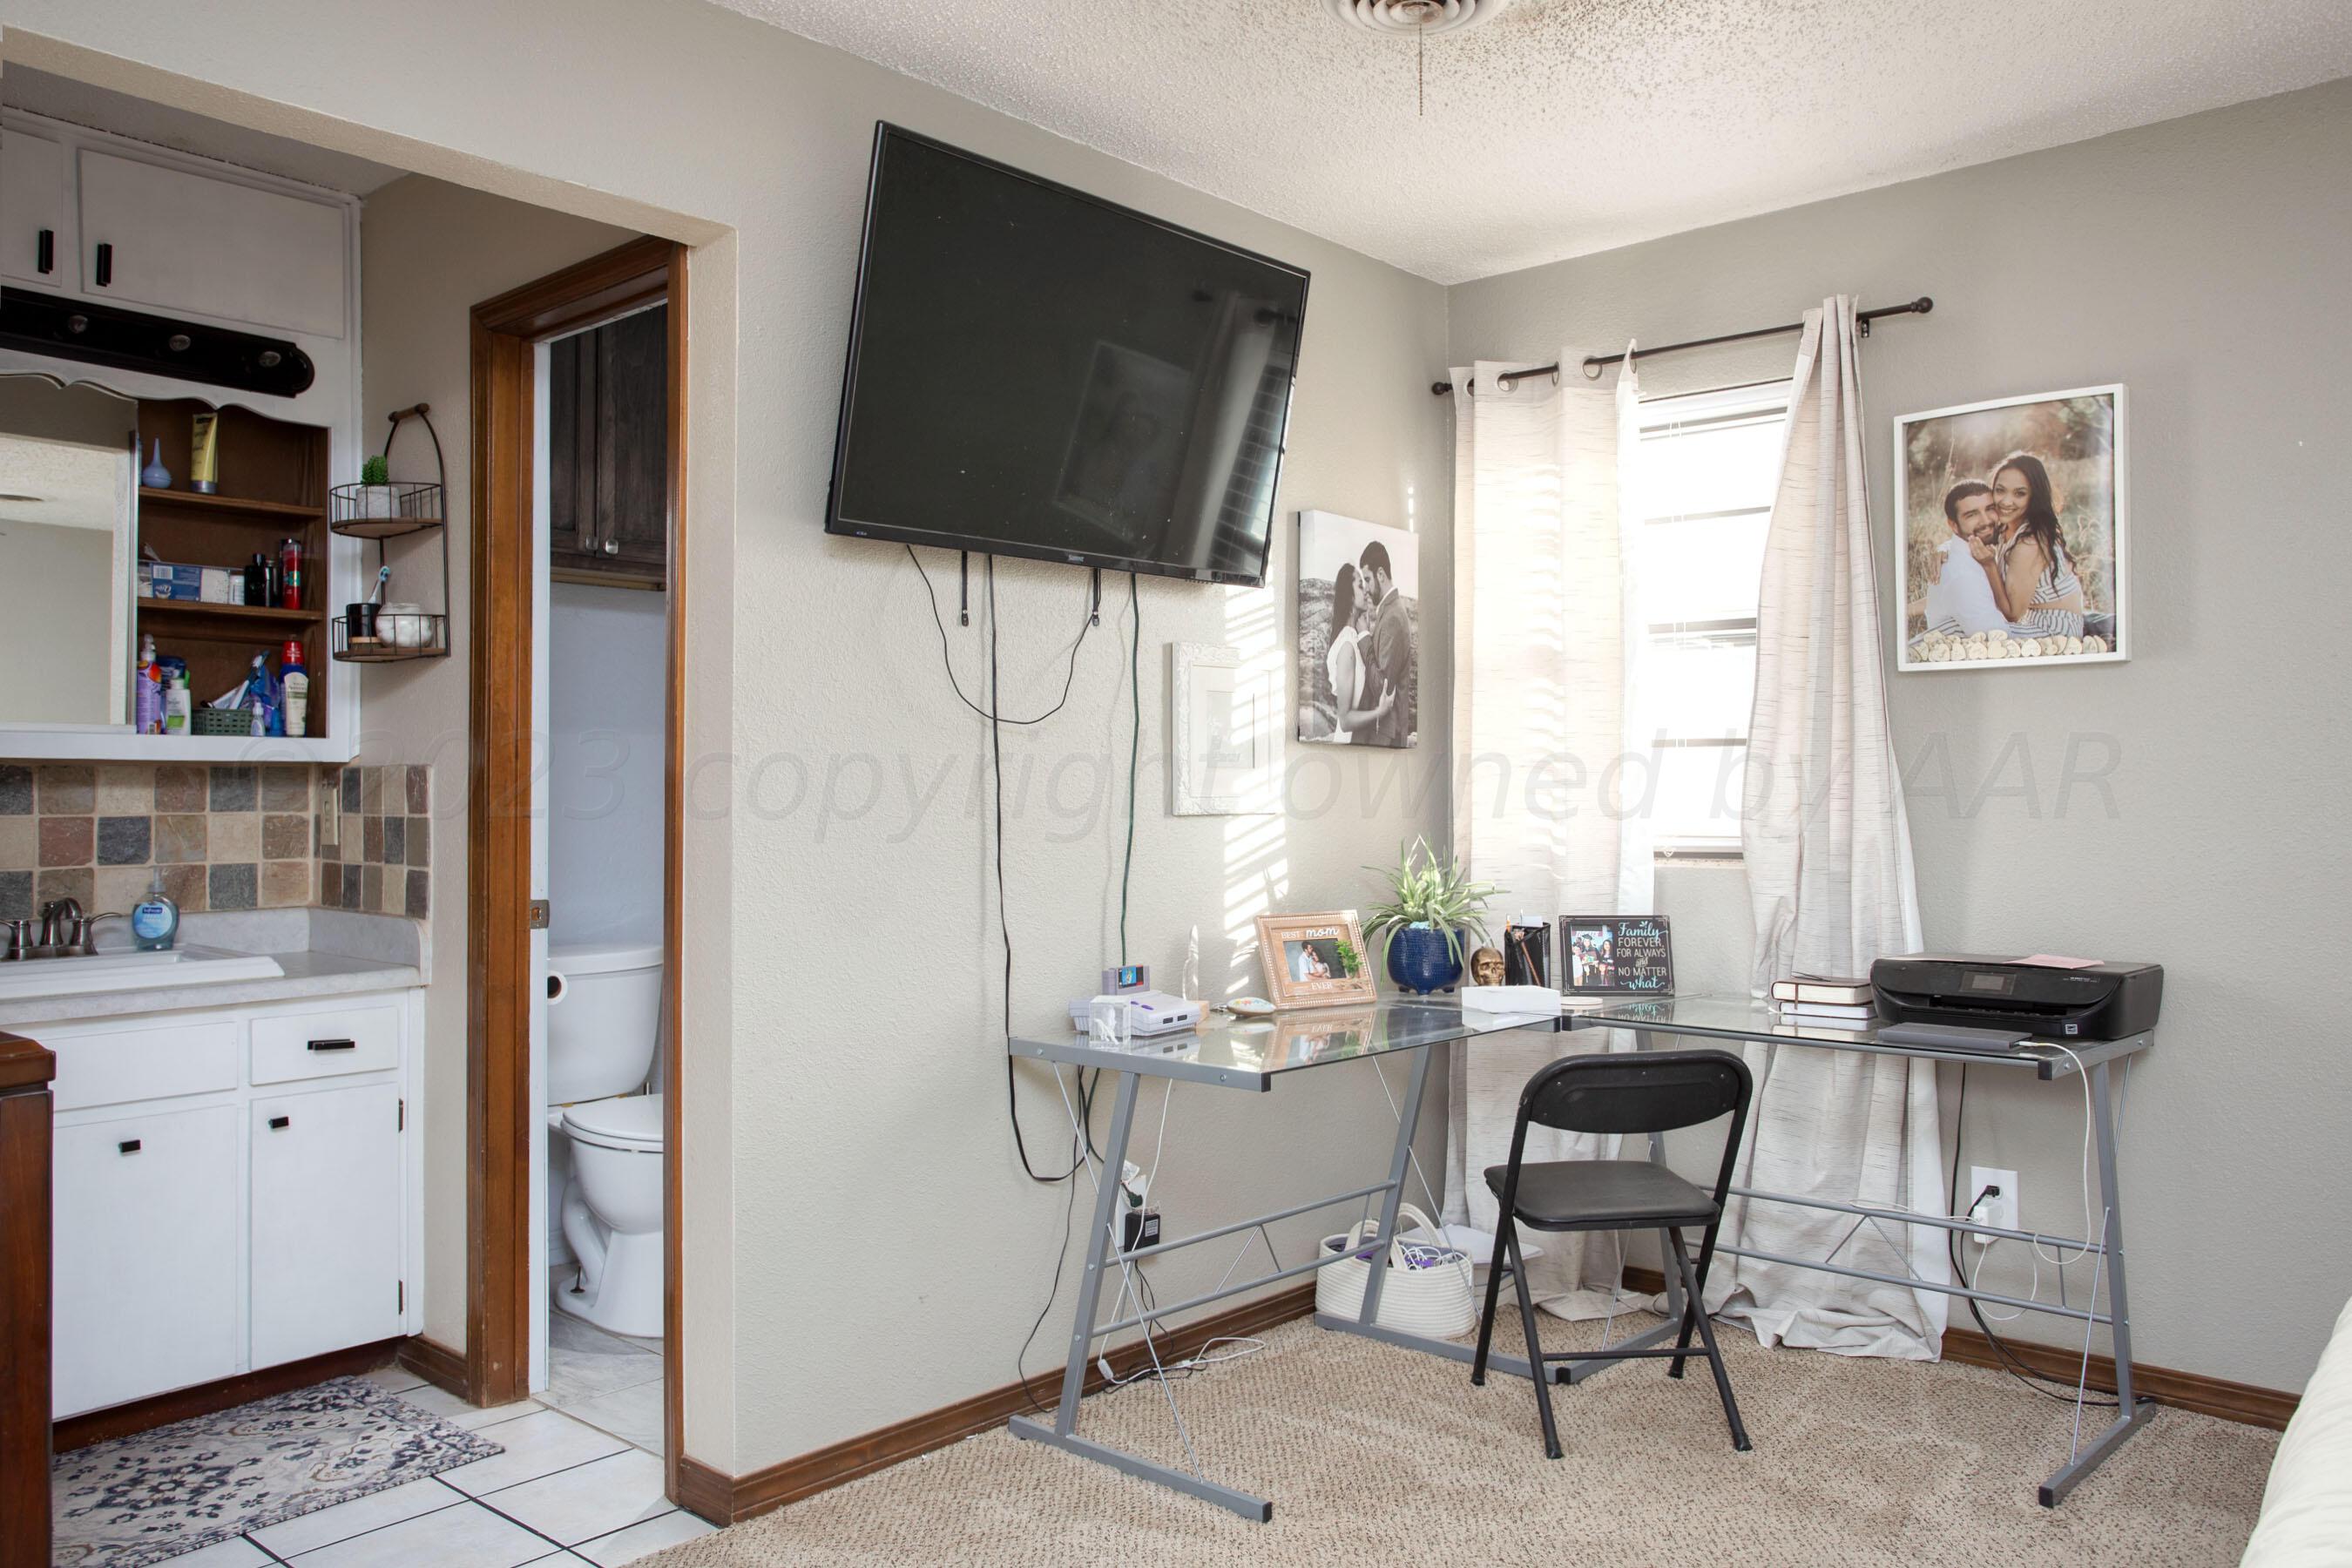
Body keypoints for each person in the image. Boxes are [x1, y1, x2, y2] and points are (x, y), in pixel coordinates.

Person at [1980, 453, 2086, 639]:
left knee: (1970, 634)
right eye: (2000, 490)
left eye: (2019, 493)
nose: (2006, 501)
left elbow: (2013, 614)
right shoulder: (2006, 527)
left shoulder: (2029, 543)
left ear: (2034, 497)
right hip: (2030, 621)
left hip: (2054, 630)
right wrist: (1943, 553)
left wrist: (1989, 565)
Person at [1919, 480, 2008, 637]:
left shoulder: (1985, 547)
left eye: (1990, 509)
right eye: (1972, 515)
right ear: (1953, 525)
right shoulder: (1961, 574)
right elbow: (1997, 637)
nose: (1986, 520)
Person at [1324, 564, 1394, 744]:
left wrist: (1365, 632)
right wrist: (1380, 712)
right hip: (1348, 743)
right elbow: (1345, 720)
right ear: (1349, 596)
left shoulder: (1353, 639)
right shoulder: (1347, 645)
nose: (1367, 592)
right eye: (1360, 586)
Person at [1358, 540, 1412, 747]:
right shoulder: (1388, 612)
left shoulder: (1392, 618)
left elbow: (1383, 688)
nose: (1367, 589)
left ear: (1381, 574)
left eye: (1368, 579)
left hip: (1389, 738)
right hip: (1386, 735)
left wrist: (1364, 638)